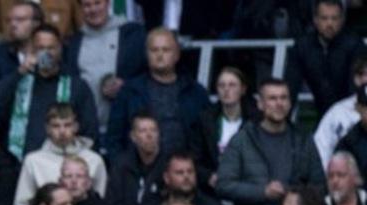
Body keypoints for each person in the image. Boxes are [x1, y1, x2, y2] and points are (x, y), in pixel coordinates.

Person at [217, 79, 324, 205]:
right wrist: (262, 192)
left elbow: (319, 185)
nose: (279, 103)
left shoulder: (303, 140)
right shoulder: (243, 140)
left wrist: (293, 193)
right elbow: (223, 184)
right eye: (272, 98)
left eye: (284, 98)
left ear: (290, 103)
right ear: (260, 104)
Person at [0, 24, 98, 161]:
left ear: (60, 49)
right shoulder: (18, 81)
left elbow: (90, 133)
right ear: (31, 50)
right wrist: (19, 72)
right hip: (17, 165)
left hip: (63, 166)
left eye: (51, 48)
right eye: (40, 48)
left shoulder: (76, 86)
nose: (46, 53)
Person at [103, 28, 208, 158]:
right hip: (139, 171)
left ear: (177, 55)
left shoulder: (196, 93)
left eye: (166, 50)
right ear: (146, 54)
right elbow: (114, 139)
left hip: (185, 172)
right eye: (154, 50)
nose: (160, 55)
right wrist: (124, 171)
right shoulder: (129, 92)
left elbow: (206, 139)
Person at [12, 104, 106, 205]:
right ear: (47, 128)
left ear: (76, 127)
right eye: (56, 126)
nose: (62, 131)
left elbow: (103, 201)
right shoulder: (33, 161)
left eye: (67, 125)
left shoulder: (94, 160)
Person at [63, 0, 147, 134]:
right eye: (87, 5)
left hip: (126, 128)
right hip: (87, 129)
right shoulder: (74, 42)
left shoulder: (132, 34)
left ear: (108, 4)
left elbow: (147, 75)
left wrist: (125, 85)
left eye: (97, 3)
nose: (93, 9)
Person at [285, 0, 367, 118]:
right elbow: (290, 88)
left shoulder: (355, 45)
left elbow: (356, 89)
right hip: (323, 112)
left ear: (342, 20)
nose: (329, 24)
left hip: (353, 114)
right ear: (315, 20)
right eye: (324, 18)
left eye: (334, 18)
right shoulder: (302, 47)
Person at [191, 66, 256, 189]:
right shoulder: (205, 120)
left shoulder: (255, 120)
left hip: (246, 187)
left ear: (243, 89)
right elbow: (195, 157)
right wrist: (208, 176)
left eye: (232, 85)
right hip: (213, 188)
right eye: (222, 85)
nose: (226, 89)